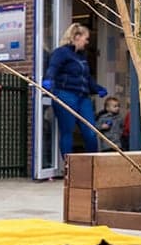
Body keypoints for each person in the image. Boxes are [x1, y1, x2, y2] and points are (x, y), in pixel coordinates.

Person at [42, 22, 107, 161]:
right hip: (65, 95)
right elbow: (53, 68)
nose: (87, 42)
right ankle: (68, 168)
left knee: (90, 132)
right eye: (86, 38)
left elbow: (87, 78)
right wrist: (48, 80)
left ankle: (93, 166)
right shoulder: (61, 52)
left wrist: (97, 88)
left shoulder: (82, 57)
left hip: (83, 98)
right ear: (76, 36)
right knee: (67, 132)